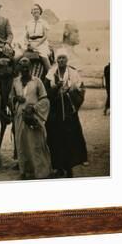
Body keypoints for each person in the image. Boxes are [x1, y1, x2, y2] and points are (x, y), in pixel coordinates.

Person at [45, 49, 88, 177]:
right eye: (59, 58)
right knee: (55, 137)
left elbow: (81, 90)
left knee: (70, 137)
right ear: (56, 60)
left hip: (69, 110)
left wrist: (70, 94)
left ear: (67, 59)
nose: (61, 60)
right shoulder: (51, 73)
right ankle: (58, 166)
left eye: (63, 58)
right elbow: (46, 91)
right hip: (55, 111)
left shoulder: (73, 73)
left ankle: (70, 166)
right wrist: (56, 88)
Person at [9, 57, 52, 179]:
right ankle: (24, 172)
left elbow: (45, 99)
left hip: (33, 117)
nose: (24, 68)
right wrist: (16, 99)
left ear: (31, 68)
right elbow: (10, 98)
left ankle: (40, 172)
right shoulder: (15, 82)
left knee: (36, 144)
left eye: (27, 66)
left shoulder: (37, 81)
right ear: (19, 68)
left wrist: (34, 108)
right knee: (21, 144)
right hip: (19, 118)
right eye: (22, 66)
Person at [24, 3, 52, 72]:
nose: (35, 11)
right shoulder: (29, 23)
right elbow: (26, 37)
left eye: (37, 9)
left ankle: (51, 75)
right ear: (31, 12)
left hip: (41, 44)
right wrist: (28, 44)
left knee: (44, 56)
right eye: (33, 9)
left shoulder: (44, 22)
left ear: (40, 11)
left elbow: (45, 36)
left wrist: (37, 45)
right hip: (30, 44)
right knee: (19, 56)